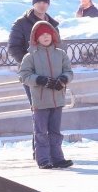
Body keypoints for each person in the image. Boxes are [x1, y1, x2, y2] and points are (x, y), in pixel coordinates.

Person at [17, 21, 74, 169]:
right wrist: (40, 80)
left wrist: (63, 79)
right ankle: (43, 159)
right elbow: (23, 76)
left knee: (55, 131)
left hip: (57, 100)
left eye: (48, 33)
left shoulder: (60, 54)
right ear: (36, 38)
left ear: (53, 35)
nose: (46, 36)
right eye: (42, 34)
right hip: (40, 102)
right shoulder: (30, 57)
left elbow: (69, 71)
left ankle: (57, 158)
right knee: (41, 132)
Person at [8, 0, 60, 105]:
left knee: (53, 106)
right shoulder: (21, 23)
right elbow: (13, 47)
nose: (42, 5)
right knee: (38, 107)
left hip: (51, 72)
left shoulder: (52, 25)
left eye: (45, 2)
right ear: (33, 3)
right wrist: (29, 63)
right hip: (31, 73)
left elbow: (58, 46)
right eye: (39, 2)